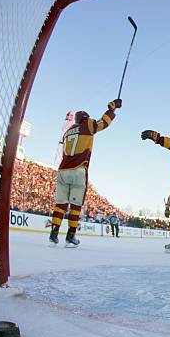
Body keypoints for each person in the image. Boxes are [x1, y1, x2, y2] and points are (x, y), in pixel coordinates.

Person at [49, 98, 122, 247]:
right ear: (85, 118)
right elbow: (104, 123)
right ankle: (71, 235)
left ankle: (54, 233)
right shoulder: (87, 124)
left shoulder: (67, 132)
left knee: (60, 204)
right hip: (78, 169)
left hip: (63, 170)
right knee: (75, 206)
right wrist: (112, 109)